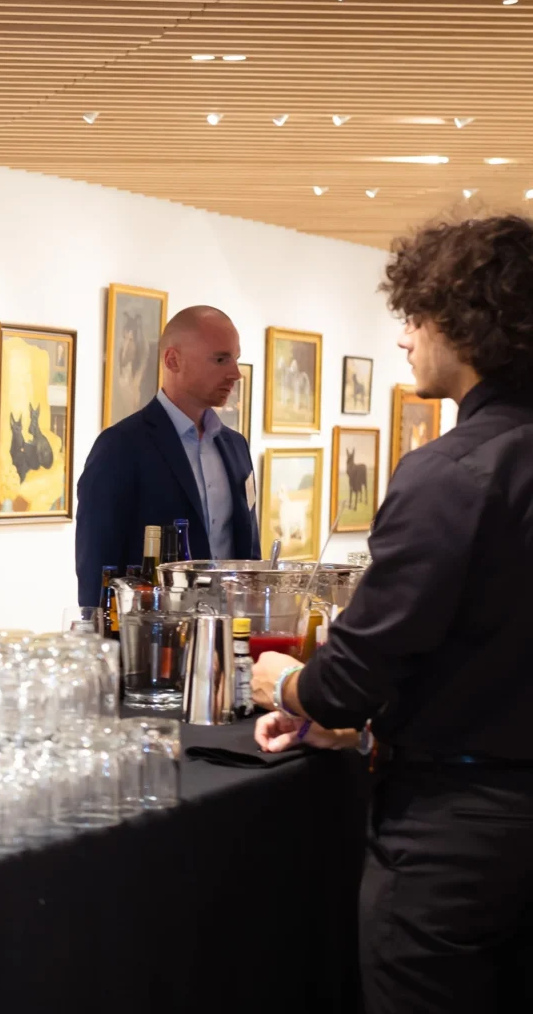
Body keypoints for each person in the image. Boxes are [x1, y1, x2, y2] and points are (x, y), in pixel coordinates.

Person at [251, 214, 533, 1013]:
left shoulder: (452, 473)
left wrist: (287, 685)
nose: (405, 336)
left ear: (470, 323)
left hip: (457, 834)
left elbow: (349, 679)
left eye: (418, 314)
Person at [75, 305, 260, 606]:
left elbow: (249, 554)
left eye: (235, 359)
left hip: (229, 628)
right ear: (173, 360)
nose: (235, 373)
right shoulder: (120, 447)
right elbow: (97, 567)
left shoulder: (236, 446)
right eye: (220, 359)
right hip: (155, 630)